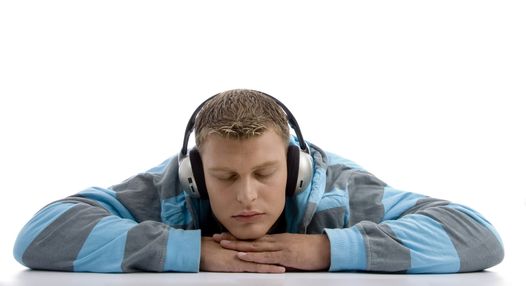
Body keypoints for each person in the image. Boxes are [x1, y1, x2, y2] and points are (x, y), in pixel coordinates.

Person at [13, 89, 504, 273]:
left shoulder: (336, 190)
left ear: (296, 168)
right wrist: (192, 252)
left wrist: (324, 250)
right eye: (225, 176)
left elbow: (478, 236)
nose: (246, 195)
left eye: (265, 173)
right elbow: (39, 236)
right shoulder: (169, 191)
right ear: (195, 175)